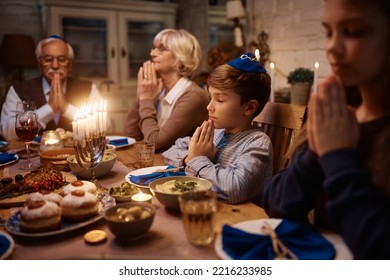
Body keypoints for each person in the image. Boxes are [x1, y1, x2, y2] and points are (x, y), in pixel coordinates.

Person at [261, 0, 390, 259]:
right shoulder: (336, 108)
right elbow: (276, 203)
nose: (331, 46)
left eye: (352, 31)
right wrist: (314, 156)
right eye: (328, 32)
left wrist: (338, 157)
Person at [162, 52, 273, 205]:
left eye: (220, 100)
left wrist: (197, 159)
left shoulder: (258, 143)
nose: (209, 107)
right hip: (208, 209)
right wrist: (189, 158)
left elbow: (235, 188)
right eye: (211, 97)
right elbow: (171, 151)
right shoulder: (215, 132)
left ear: (249, 107)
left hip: (240, 219)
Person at [0, 35, 105, 141]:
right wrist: (49, 109)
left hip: (76, 155)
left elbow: (103, 127)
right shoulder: (17, 90)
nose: (55, 65)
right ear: (40, 64)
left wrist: (66, 108)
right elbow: (7, 133)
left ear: (70, 65)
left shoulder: (88, 88)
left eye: (62, 59)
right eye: (48, 59)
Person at [123, 29, 209, 151]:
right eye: (154, 48)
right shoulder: (158, 90)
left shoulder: (193, 96)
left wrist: (146, 99)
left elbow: (155, 144)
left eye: (162, 49)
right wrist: (141, 96)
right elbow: (130, 136)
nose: (152, 53)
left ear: (180, 58)